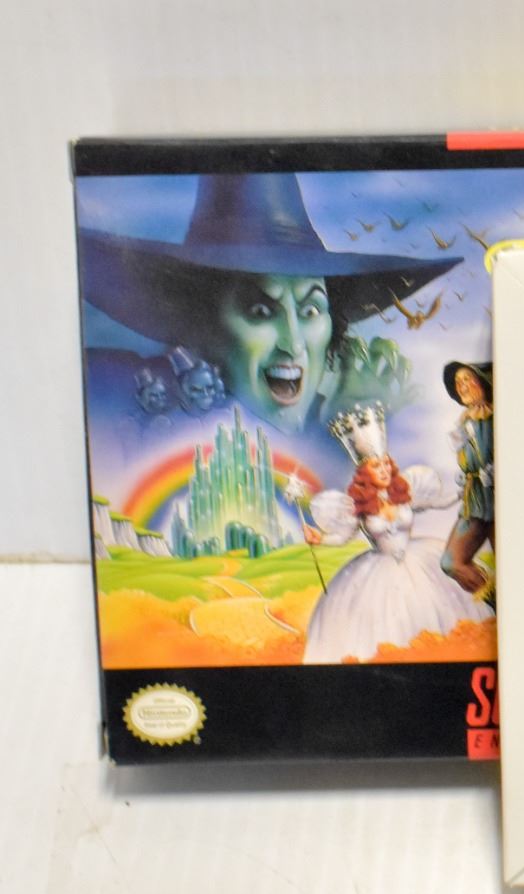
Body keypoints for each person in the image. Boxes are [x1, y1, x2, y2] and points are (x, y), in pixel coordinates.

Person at [79, 171, 458, 436]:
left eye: (311, 310)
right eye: (261, 311)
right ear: (204, 322)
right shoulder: (119, 390)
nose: (293, 343)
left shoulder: (348, 426)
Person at [301, 403, 495, 665]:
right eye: (376, 466)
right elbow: (343, 537)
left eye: (385, 464)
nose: (383, 470)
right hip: (379, 570)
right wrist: (320, 539)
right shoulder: (359, 506)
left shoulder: (402, 492)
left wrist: (466, 491)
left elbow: (438, 502)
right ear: (364, 474)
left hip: (418, 558)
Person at [440, 361, 495, 602]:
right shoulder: (463, 423)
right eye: (458, 382)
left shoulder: (496, 416)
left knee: (508, 562)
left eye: (467, 379)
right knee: (451, 562)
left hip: (499, 500)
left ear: (481, 383)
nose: (462, 386)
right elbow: (468, 460)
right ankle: (493, 599)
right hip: (475, 501)